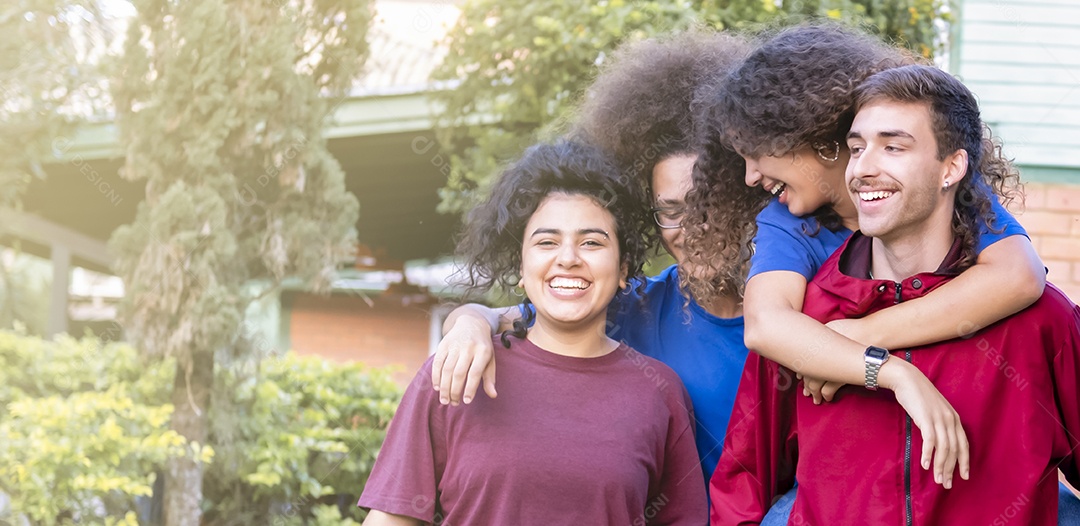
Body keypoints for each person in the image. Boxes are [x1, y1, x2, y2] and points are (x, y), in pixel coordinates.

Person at [680, 26, 1047, 519]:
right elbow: (768, 326)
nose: (750, 176)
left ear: (810, 138)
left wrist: (855, 336)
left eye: (757, 151)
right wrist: (891, 372)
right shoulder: (791, 223)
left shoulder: (940, 189)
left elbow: (1018, 277)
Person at [431, 30, 764, 486]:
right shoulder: (636, 308)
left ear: (749, 197)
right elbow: (503, 316)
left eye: (710, 205)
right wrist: (469, 323)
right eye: (670, 211)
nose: (693, 229)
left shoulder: (802, 301)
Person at [358, 141, 706, 526]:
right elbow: (391, 520)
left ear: (623, 268)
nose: (569, 257)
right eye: (546, 242)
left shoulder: (660, 393)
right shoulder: (456, 369)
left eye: (592, 242)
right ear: (522, 267)